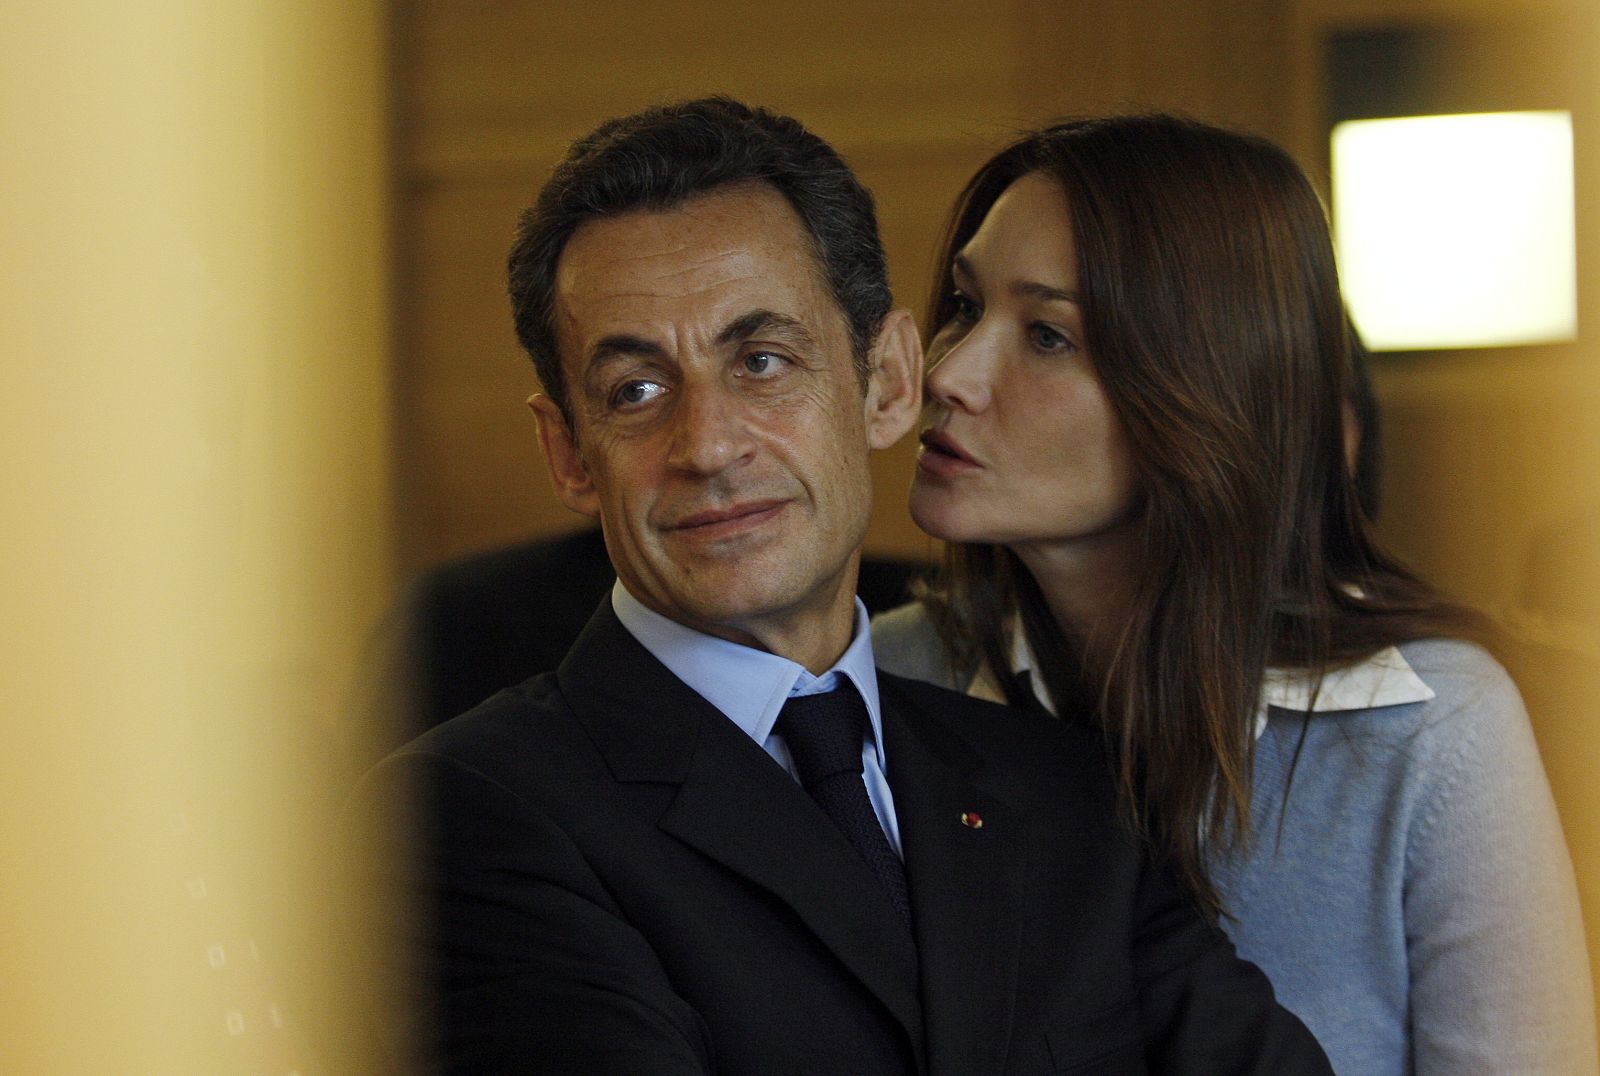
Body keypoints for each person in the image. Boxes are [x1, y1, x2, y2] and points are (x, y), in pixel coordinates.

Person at [349, 98, 1332, 1073]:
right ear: (568, 454)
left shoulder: (1061, 783)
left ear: (889, 381)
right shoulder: (464, 810)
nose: (709, 446)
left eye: (762, 361)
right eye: (635, 391)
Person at [871, 114, 1597, 1074]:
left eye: (1047, 336)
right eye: (965, 306)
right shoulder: (885, 680)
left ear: (1202, 391)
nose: (950, 373)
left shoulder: (1432, 732)